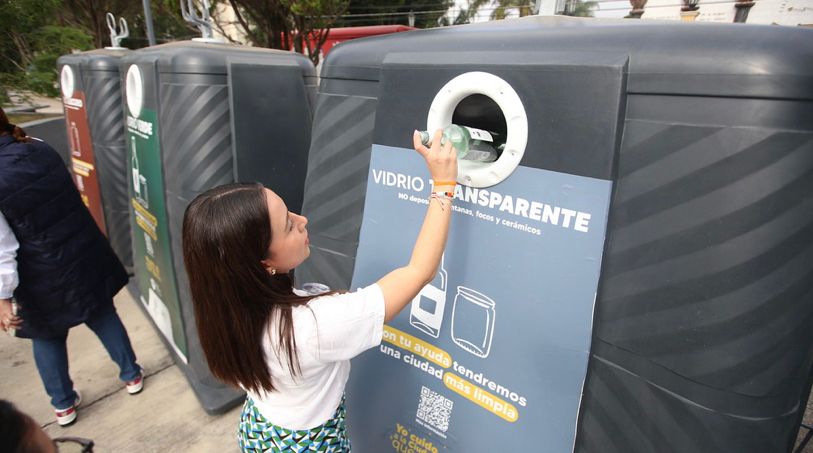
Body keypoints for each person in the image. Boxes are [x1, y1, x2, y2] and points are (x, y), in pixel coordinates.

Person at [182, 130, 456, 451]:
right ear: (264, 263)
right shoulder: (312, 326)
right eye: (288, 226)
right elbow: (419, 271)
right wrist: (443, 185)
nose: (303, 220)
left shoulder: (224, 305)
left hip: (260, 430)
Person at [0, 107, 144, 427]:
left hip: (40, 274)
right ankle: (131, 375)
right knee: (102, 312)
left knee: (47, 334)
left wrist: (3, 297)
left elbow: (3, 248)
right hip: (81, 250)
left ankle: (63, 404)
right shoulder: (37, 146)